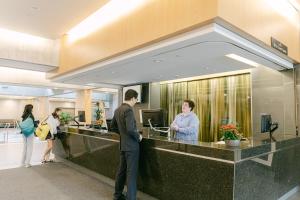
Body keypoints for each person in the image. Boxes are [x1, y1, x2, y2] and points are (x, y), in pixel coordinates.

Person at [111, 89, 142, 200]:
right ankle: (131, 198)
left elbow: (112, 127)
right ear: (133, 98)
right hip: (132, 147)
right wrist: (138, 136)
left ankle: (117, 195)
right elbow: (130, 129)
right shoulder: (128, 110)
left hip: (123, 146)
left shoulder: (117, 109)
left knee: (121, 171)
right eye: (136, 99)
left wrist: (122, 134)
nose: (136, 102)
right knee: (131, 173)